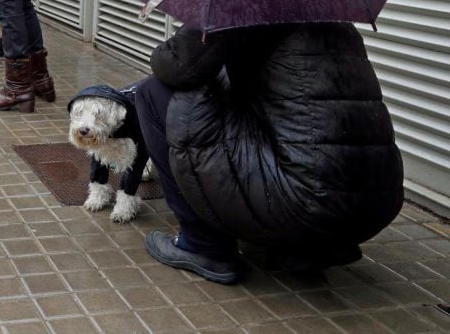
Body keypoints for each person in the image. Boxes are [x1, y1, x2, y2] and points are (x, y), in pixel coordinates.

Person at [135, 23, 404, 284]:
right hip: (373, 203)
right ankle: (309, 247)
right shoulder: (334, 17)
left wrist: (184, 31)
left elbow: (177, 65)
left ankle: (203, 243)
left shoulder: (239, 6)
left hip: (304, 203)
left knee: (152, 92)